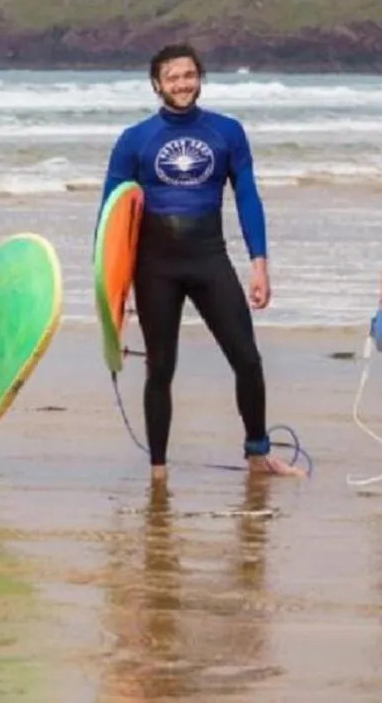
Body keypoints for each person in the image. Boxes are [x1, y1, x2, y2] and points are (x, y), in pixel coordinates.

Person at [100, 42, 302, 480]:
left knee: (246, 358)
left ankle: (257, 454)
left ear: (199, 78)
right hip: (155, 267)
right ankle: (158, 468)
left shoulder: (227, 132)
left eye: (189, 75)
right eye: (172, 77)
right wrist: (114, 292)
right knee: (161, 367)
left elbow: (247, 196)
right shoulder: (134, 140)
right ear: (157, 84)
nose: (182, 84)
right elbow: (109, 219)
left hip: (209, 257)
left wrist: (259, 262)